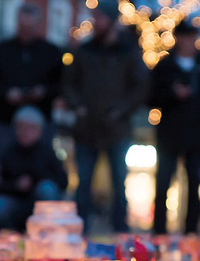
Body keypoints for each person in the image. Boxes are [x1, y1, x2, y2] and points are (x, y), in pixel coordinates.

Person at [62, 0, 149, 232]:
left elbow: (140, 87)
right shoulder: (85, 50)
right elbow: (69, 84)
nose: (95, 22)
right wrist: (78, 106)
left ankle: (120, 231)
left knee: (118, 184)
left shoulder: (128, 52)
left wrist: (121, 110)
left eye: (100, 17)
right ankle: (79, 231)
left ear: (111, 20)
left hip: (116, 128)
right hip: (86, 128)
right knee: (83, 184)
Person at [150, 21, 200, 235]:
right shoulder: (165, 66)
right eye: (185, 37)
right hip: (169, 134)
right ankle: (160, 231)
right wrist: (172, 93)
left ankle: (191, 232)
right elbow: (150, 96)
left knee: (194, 185)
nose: (189, 42)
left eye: (192, 37)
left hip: (196, 135)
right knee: (163, 185)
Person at [0, 4, 62, 147]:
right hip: (7, 119)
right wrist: (6, 93)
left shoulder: (50, 51)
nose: (26, 33)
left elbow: (62, 83)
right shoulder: (3, 49)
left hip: (40, 121)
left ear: (37, 25)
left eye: (30, 28)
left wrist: (44, 91)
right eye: (23, 27)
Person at [0, 106, 68, 234]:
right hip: (15, 201)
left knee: (47, 189)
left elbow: (62, 181)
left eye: (30, 128)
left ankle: (49, 235)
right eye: (21, 127)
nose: (25, 132)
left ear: (39, 130)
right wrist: (16, 185)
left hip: (40, 205)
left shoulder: (47, 153)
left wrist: (35, 180)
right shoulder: (9, 152)